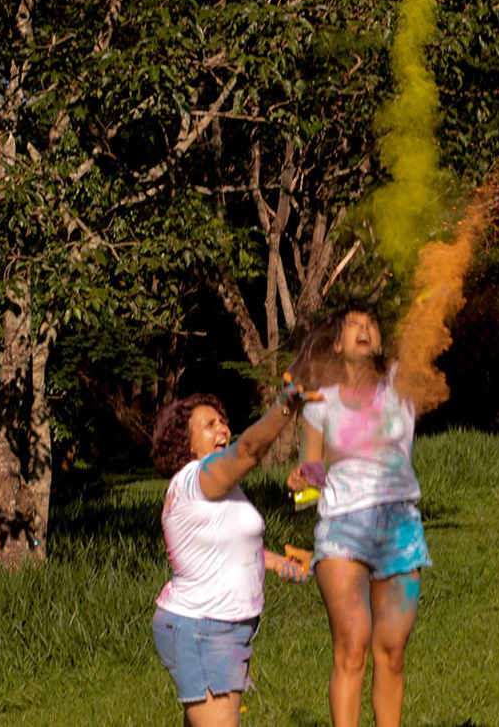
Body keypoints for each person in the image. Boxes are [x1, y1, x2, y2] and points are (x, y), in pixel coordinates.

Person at [285, 306, 432, 727]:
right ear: (337, 342)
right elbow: (313, 471)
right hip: (342, 527)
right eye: (354, 324)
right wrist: (302, 481)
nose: (365, 329)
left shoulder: (402, 384)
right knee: (352, 647)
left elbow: (429, 335)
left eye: (372, 323)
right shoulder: (320, 401)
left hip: (400, 527)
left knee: (393, 652)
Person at [150, 381, 317, 727]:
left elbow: (229, 547)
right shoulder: (195, 479)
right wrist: (286, 407)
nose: (222, 428)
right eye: (209, 425)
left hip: (215, 627)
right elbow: (249, 452)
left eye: (222, 421)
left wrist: (276, 562)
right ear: (187, 443)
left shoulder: (220, 488)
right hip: (204, 629)